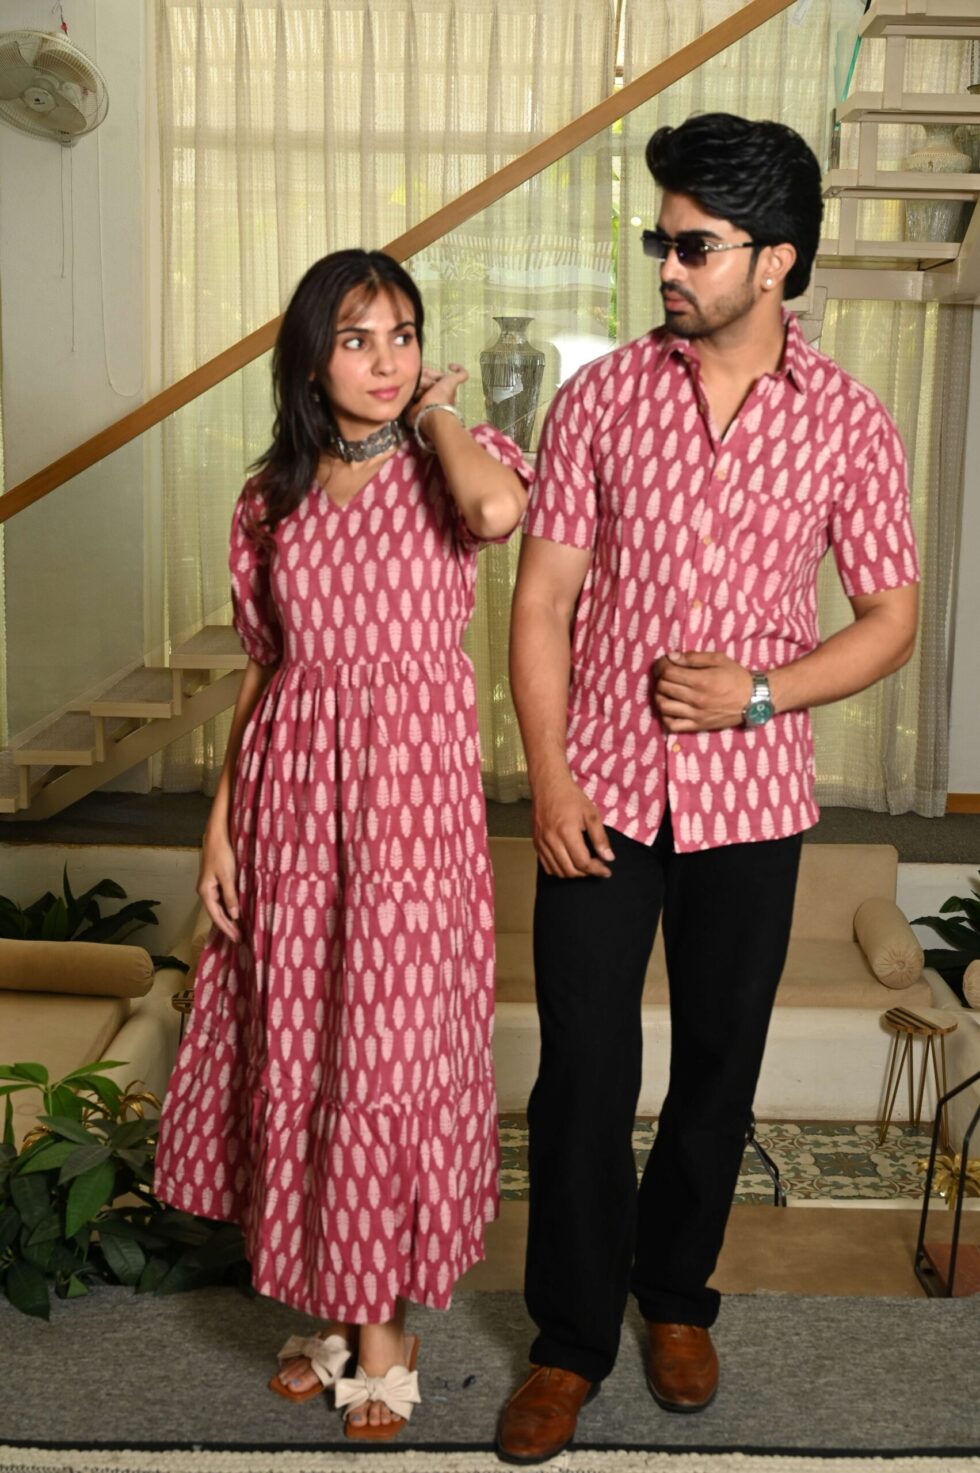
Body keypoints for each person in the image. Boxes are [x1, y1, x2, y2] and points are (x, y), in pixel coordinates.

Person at [496, 113, 919, 1465]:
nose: (666, 267)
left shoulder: (848, 421)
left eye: (694, 245)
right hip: (602, 791)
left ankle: (675, 1296)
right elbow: (541, 601)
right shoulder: (600, 399)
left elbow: (891, 619)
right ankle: (568, 1341)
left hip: (755, 800)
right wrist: (550, 777)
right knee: (582, 1071)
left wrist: (761, 693)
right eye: (660, 241)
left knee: (718, 1067)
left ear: (775, 258)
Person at [153, 248, 530, 1442]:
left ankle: (382, 1337)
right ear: (311, 358)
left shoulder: (452, 462)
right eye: (357, 337)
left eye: (403, 335)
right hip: (291, 802)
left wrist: (437, 414)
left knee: (382, 1058)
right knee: (305, 1047)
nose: (385, 359)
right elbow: (263, 671)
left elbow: (496, 515)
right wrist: (220, 825)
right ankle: (343, 1310)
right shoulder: (268, 500)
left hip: (409, 812)